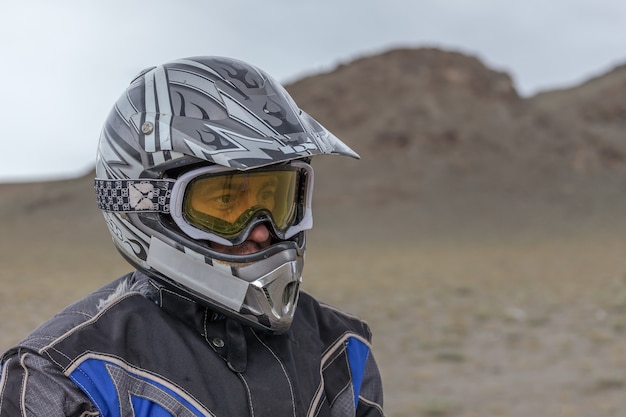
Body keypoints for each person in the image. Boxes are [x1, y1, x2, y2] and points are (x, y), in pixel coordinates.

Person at [0, 56, 385, 417]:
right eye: (226, 204)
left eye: (275, 198)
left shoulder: (340, 348)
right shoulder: (66, 376)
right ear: (149, 207)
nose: (264, 230)